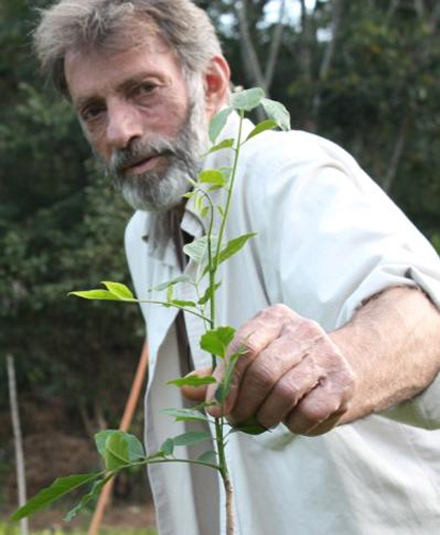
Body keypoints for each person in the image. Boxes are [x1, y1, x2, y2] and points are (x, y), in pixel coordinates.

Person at [34, 1, 440, 534]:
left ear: (212, 82)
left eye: (143, 89)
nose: (119, 132)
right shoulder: (145, 232)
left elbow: (421, 318)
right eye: (93, 109)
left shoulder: (282, 171)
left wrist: (338, 363)